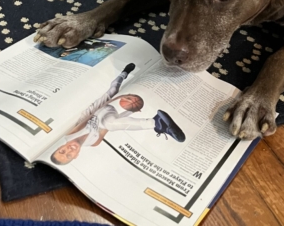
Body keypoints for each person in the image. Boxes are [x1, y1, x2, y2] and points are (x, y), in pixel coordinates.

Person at [51, 64, 185, 165]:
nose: (69, 150)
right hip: (110, 117)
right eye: (69, 155)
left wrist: (117, 98)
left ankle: (123, 74)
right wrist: (130, 111)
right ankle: (156, 123)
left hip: (98, 109)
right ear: (76, 156)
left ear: (60, 146)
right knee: (109, 123)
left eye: (62, 151)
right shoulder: (94, 143)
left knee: (113, 89)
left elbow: (94, 112)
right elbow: (113, 125)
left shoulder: (70, 133)